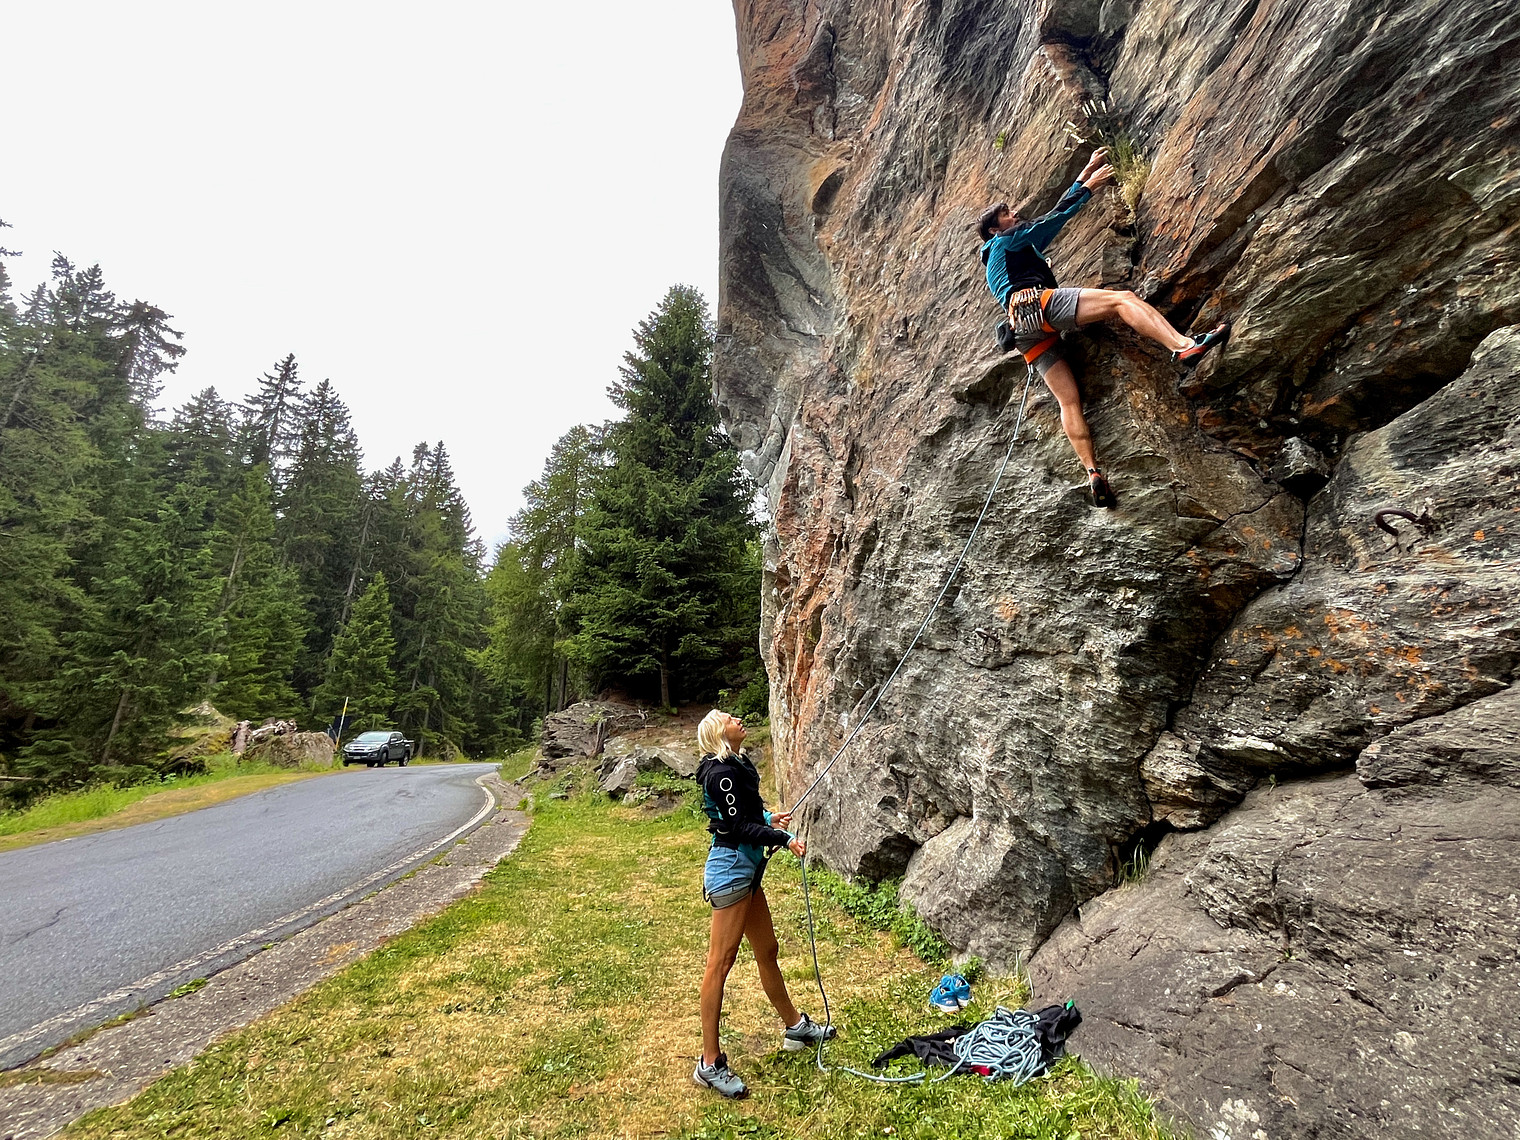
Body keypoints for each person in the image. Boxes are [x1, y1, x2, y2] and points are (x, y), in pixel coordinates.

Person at [977, 148, 1229, 507]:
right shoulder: (1005, 241)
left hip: (1024, 331)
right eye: (1006, 214)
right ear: (994, 229)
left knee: (1068, 400)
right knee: (1122, 300)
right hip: (1036, 305)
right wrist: (1090, 188)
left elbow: (1048, 222)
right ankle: (1183, 346)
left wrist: (1084, 174)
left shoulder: (1005, 254)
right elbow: (1052, 220)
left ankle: (1092, 471)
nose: (1014, 214)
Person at [691, 708, 834, 1098]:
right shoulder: (719, 773)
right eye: (728, 719)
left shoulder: (736, 765)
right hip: (731, 870)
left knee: (767, 949)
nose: (737, 719)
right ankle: (709, 1063)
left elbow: (745, 812)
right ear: (718, 734)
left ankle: (795, 1026)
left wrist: (768, 817)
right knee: (720, 963)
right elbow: (736, 826)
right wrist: (783, 839)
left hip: (747, 869)